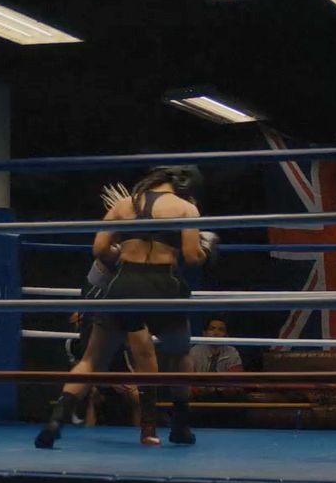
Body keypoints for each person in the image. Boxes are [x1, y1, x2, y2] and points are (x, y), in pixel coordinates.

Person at [36, 166, 214, 448]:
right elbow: (192, 257)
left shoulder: (123, 204)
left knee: (91, 360)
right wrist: (206, 248)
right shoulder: (185, 208)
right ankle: (180, 426)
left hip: (124, 284)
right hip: (165, 285)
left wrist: (124, 258)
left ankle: (55, 421)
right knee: (179, 354)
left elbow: (99, 249)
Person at [188, 316, 244, 399]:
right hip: (198, 397)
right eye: (212, 329)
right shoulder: (194, 352)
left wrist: (220, 393)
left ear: (226, 335)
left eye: (221, 330)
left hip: (224, 398)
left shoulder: (232, 352)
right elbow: (187, 381)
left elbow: (235, 382)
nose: (216, 333)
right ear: (204, 333)